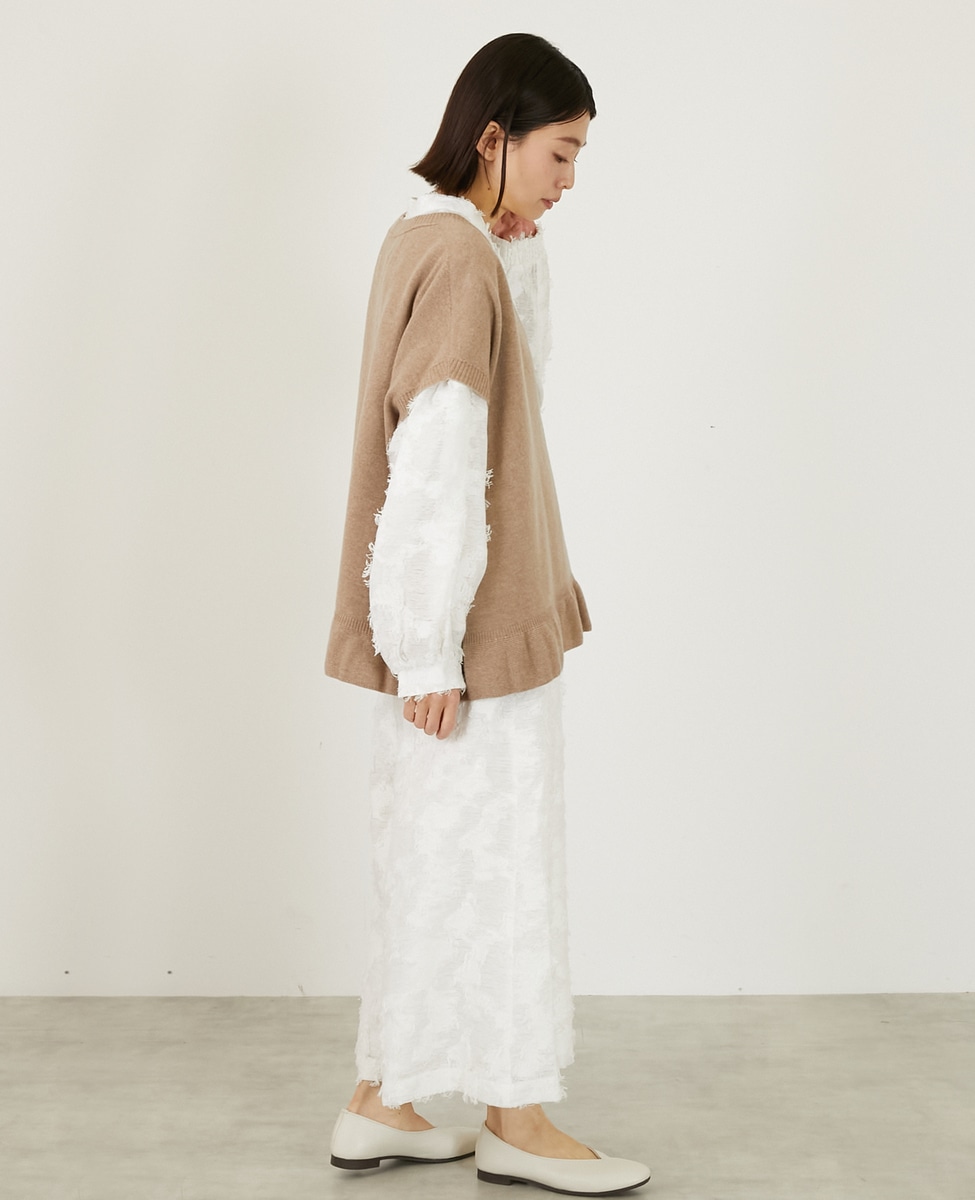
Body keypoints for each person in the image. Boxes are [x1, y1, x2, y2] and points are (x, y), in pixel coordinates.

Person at [324, 33, 650, 1197]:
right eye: (561, 153)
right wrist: (427, 648)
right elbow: (442, 450)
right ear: (494, 138)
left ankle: (384, 1101)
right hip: (471, 626)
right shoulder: (462, 263)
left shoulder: (432, 237)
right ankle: (517, 1118)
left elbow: (510, 385)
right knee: (503, 853)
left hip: (447, 621)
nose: (571, 180)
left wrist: (518, 241)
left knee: (429, 854)